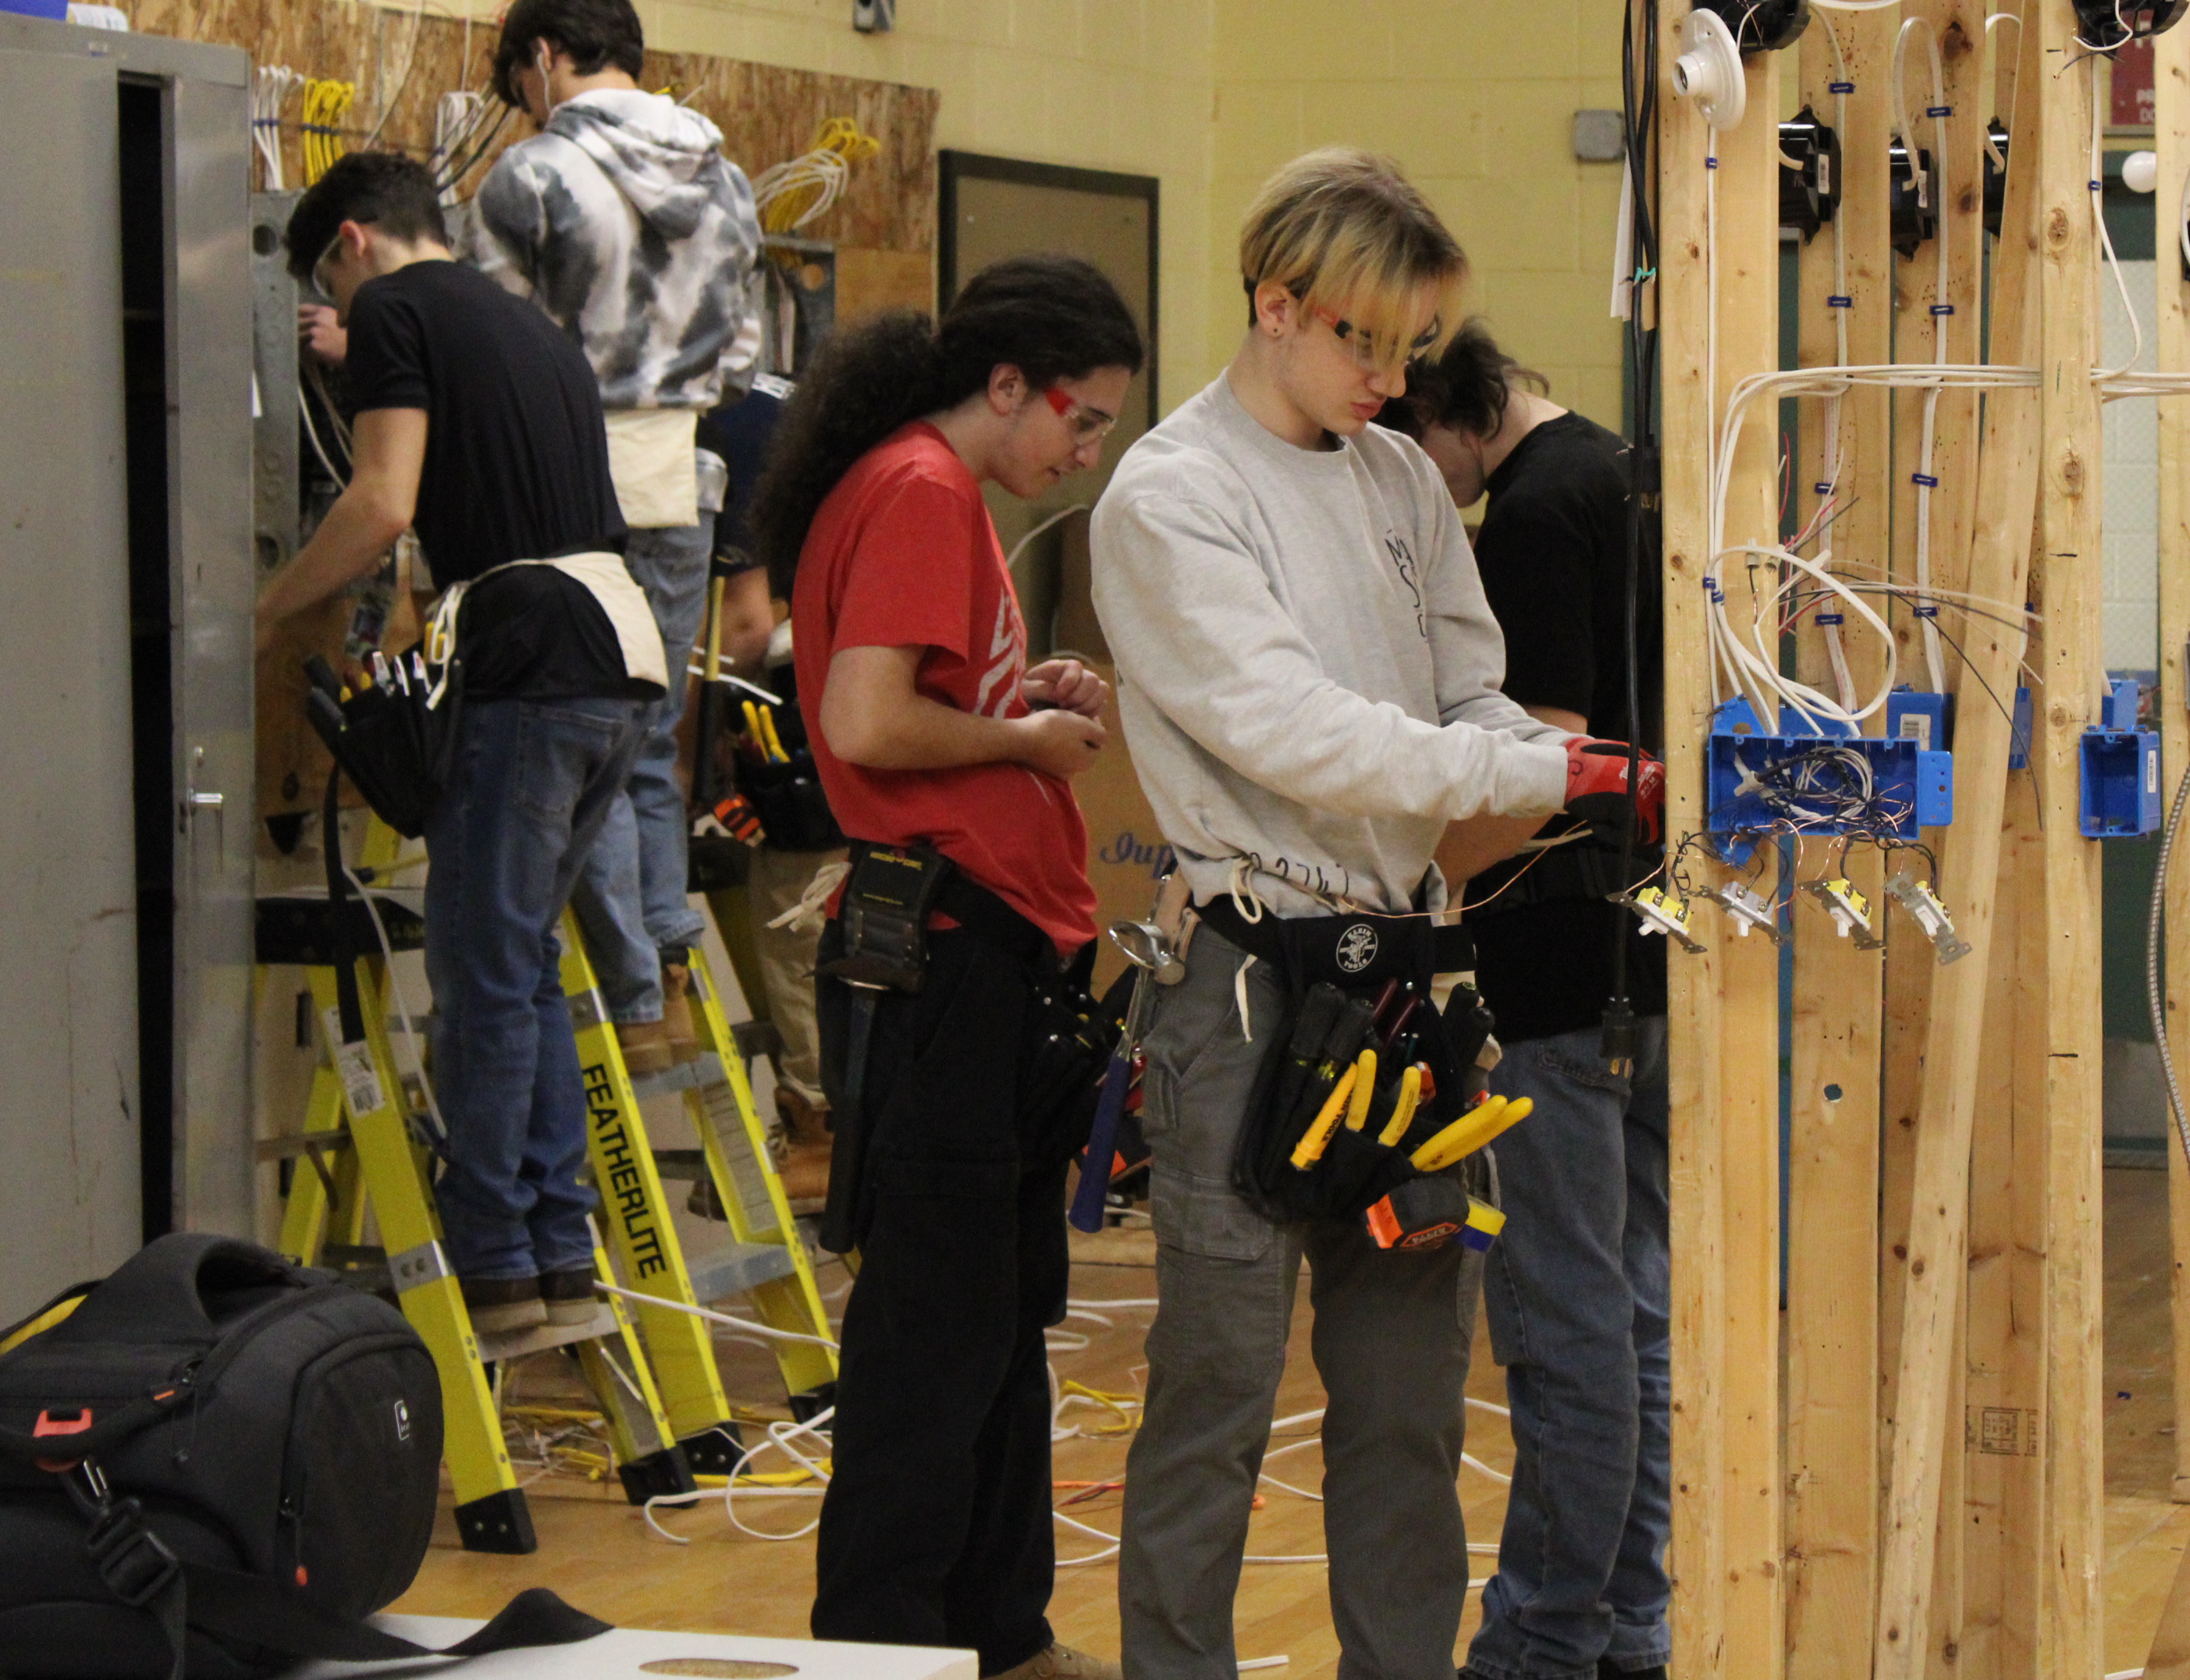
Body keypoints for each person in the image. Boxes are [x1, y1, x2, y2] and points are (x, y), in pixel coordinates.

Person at [1090, 150, 1662, 1680]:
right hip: (1245, 986)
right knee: (1215, 1395)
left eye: (1413, 349)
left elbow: (1468, 689)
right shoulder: (1171, 498)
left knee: (1407, 1408)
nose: (1392, 380)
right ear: (1274, 303)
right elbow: (1301, 731)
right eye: (1365, 341)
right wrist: (1550, 769)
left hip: (1410, 990)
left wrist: (1557, 756)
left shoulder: (1400, 477)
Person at [752, 255, 1143, 1680]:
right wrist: (1020, 742)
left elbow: (914, 699)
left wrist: (1016, 699)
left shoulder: (931, 491)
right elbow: (866, 722)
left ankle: (998, 1631)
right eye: (1081, 421)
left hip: (991, 951)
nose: (1084, 454)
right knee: (933, 1339)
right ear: (1007, 385)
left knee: (995, 1322)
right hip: (949, 955)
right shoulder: (919, 488)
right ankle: (882, 1647)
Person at [257, 152, 670, 1341]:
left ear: (350, 242)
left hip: (529, 660)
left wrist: (266, 610)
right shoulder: (529, 323)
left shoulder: (392, 305)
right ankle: (554, 1251)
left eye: (329, 289)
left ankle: (490, 1256)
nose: (341, 314)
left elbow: (383, 501)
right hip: (618, 654)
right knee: (524, 962)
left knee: (485, 970)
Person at [1379, 324, 1670, 1680]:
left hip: (1560, 971)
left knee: (1565, 1321)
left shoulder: (1539, 517)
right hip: (1649, 958)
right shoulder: (1627, 473)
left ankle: (1544, 1636)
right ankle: (1626, 1619)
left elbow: (1544, 769)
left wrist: (1413, 880)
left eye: (1412, 451)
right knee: (1633, 1310)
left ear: (1454, 411)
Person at [472, 0, 763, 1073]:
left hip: (563, 491)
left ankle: (636, 995)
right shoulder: (728, 180)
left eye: (521, 83)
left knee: (570, 748)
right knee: (644, 739)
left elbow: (493, 354)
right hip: (678, 483)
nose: (525, 105)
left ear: (546, 59)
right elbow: (740, 362)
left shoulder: (532, 175)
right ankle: (669, 962)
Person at [705, 369, 845, 1208]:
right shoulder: (798, 399)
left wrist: (691, 736)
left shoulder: (731, 428)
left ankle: (820, 1131)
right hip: (858, 693)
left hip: (800, 711)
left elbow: (748, 623)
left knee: (798, 930)